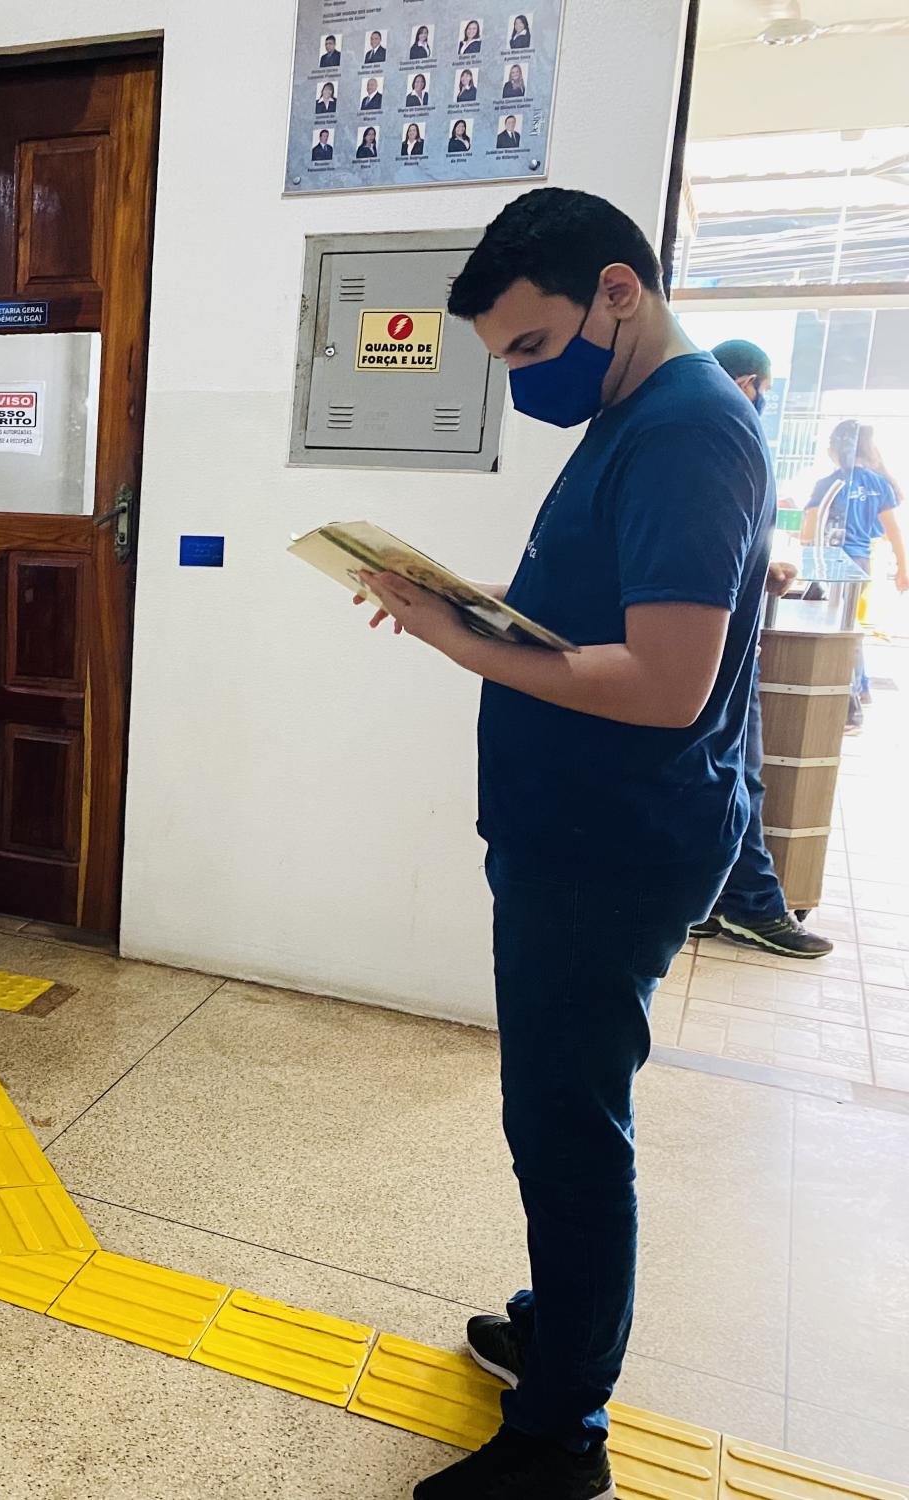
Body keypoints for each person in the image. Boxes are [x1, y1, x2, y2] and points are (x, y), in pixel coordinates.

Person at [358, 187, 771, 1500]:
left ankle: (560, 1441)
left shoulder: (691, 431)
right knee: (557, 1114)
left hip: (615, 846)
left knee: (569, 1128)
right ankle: (561, 1326)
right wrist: (468, 608)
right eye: (504, 365)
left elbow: (664, 684)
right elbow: (603, 619)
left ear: (618, 292)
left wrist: (452, 634)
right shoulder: (632, 416)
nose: (528, 381)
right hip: (573, 832)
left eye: (535, 351)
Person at [684, 340, 834, 958]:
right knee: (736, 770)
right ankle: (753, 905)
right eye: (763, 388)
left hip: (713, 633)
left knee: (717, 769)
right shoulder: (720, 430)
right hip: (718, 643)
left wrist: (762, 567)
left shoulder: (694, 428)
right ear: (750, 381)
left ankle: (715, 899)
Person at [802, 419, 907, 731]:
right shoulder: (879, 483)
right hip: (861, 563)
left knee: (840, 630)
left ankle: (852, 707)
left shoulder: (829, 483)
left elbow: (809, 532)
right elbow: (894, 531)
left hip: (833, 563)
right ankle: (861, 688)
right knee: (849, 625)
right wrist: (903, 568)